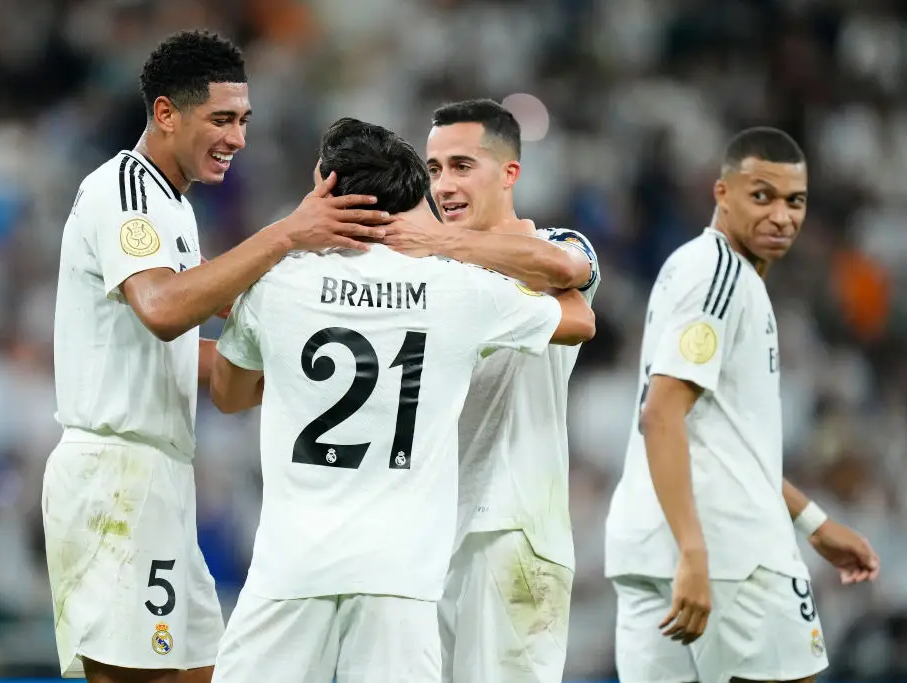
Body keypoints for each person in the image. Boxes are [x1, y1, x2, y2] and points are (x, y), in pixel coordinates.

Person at [42, 31, 390, 683]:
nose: (238, 138)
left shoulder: (172, 206)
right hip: (118, 478)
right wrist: (288, 232)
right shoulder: (125, 189)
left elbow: (186, 345)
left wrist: (308, 358)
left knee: (204, 671)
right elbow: (165, 307)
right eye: (222, 119)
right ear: (167, 113)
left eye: (244, 120)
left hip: (161, 480)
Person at [206, 117, 596, 683]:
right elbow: (579, 320)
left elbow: (229, 394)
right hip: (402, 577)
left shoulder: (275, 283)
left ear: (323, 187)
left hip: (292, 565)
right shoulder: (459, 289)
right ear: (413, 192)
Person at [604, 127, 880, 683]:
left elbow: (718, 439)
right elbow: (660, 415)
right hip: (727, 554)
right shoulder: (722, 278)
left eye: (794, 201)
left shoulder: (690, 268)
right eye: (762, 196)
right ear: (721, 195)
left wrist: (815, 524)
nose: (782, 215)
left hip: (650, 548)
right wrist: (694, 552)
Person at [378, 98, 600, 683]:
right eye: (433, 169)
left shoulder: (557, 244)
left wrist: (439, 244)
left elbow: (566, 270)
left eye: (461, 165)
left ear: (509, 173)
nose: (443, 184)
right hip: (428, 535)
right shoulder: (427, 268)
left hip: (512, 530)